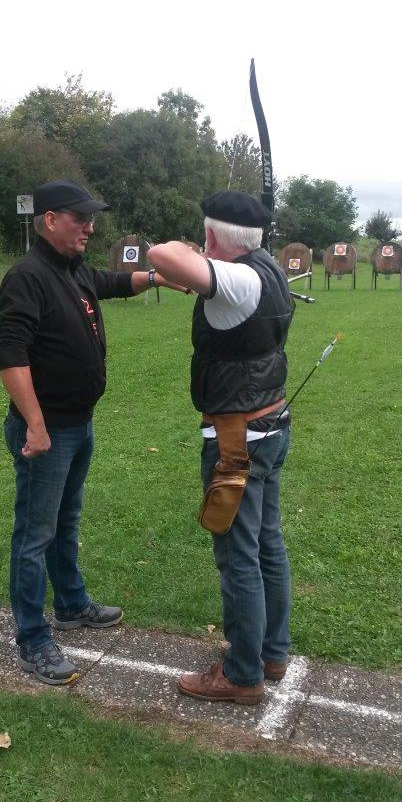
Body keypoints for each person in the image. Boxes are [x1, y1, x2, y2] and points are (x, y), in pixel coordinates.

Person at [0, 179, 175, 685]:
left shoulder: (73, 269)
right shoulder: (28, 276)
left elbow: (115, 282)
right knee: (35, 535)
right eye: (81, 218)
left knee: (65, 521)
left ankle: (71, 605)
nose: (90, 227)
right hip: (47, 431)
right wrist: (35, 425)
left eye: (92, 219)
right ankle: (33, 640)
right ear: (51, 219)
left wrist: (159, 278)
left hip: (78, 423)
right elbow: (11, 357)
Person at [148, 191, 294, 705]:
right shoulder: (268, 268)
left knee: (238, 557)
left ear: (211, 235)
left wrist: (192, 253)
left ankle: (242, 674)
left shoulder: (239, 279)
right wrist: (204, 260)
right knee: (267, 543)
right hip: (268, 425)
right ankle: (271, 653)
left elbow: (160, 255)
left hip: (237, 439)